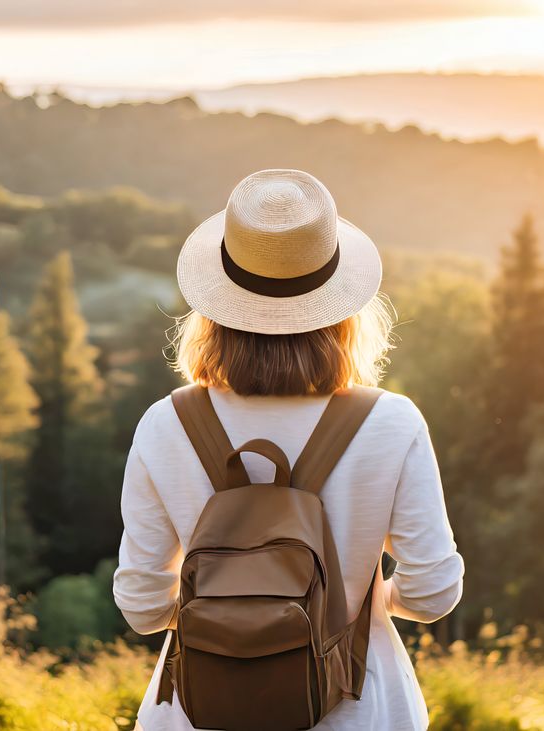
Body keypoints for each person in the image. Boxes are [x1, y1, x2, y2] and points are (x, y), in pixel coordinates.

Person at [113, 169, 464, 730]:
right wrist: (366, 599)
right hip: (357, 709)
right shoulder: (390, 422)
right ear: (343, 310)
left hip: (198, 712)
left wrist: (233, 609)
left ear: (214, 309)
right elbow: (433, 593)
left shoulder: (166, 425)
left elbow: (142, 607)